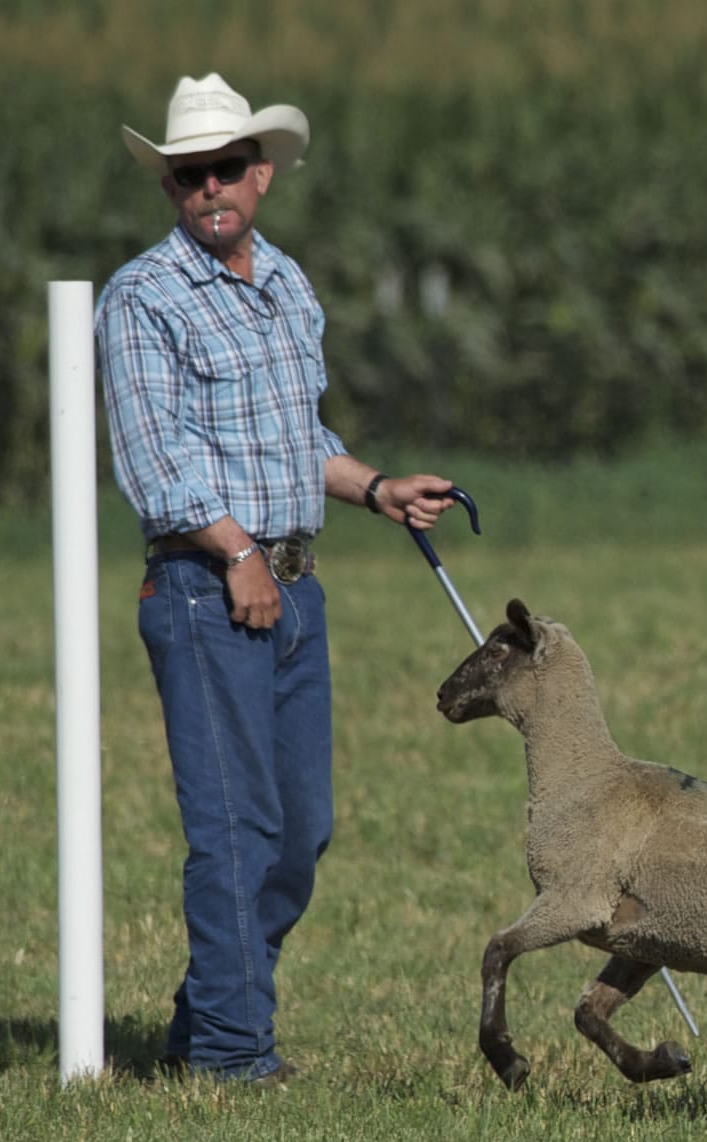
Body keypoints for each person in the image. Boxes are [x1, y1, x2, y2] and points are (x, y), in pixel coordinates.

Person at [95, 73, 456, 1085]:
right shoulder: (142, 297)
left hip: (297, 588)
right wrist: (240, 555)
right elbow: (154, 460)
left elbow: (295, 442)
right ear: (169, 188)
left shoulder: (287, 282)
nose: (206, 188)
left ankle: (204, 1022)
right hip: (209, 591)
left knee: (300, 832)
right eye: (184, 176)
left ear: (259, 176)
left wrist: (375, 487)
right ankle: (232, 1057)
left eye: (222, 171)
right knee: (235, 829)